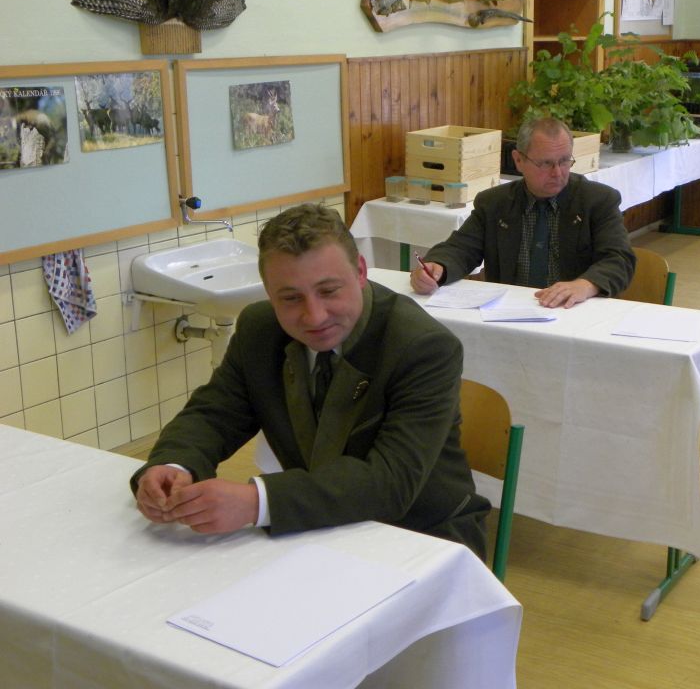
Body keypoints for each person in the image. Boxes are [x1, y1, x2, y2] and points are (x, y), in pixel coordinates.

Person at [131, 204, 490, 559]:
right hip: (315, 527)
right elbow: (215, 414)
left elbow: (391, 481)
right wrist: (174, 465)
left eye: (329, 291)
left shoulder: (423, 346)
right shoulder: (259, 329)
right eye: (290, 298)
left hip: (423, 536)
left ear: (360, 271)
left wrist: (257, 501)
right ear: (268, 291)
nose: (314, 316)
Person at [410, 117, 636, 308]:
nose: (558, 173)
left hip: (576, 313)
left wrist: (585, 285)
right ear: (518, 160)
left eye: (564, 161)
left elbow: (619, 259)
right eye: (546, 164)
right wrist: (438, 267)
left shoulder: (597, 201)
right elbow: (461, 249)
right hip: (509, 313)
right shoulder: (494, 204)